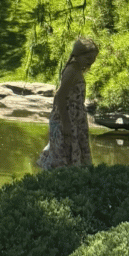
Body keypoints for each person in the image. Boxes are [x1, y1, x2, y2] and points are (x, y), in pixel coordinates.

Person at [37, 36, 99, 169]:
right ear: (78, 55)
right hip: (68, 117)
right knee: (64, 151)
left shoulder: (76, 69)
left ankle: (74, 175)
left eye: (93, 60)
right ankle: (61, 176)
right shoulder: (72, 71)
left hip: (75, 117)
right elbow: (60, 96)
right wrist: (65, 123)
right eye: (88, 59)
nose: (90, 63)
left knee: (73, 149)